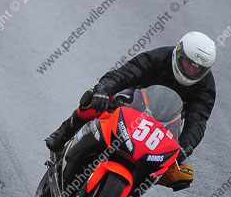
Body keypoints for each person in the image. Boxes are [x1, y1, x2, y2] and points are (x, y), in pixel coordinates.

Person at [45, 31, 216, 171]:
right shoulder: (159, 57)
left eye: (198, 68)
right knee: (94, 98)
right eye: (188, 63)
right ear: (178, 53)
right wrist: (103, 91)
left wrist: (185, 146)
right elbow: (125, 73)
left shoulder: (206, 86)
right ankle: (64, 131)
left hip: (166, 123)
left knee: (178, 170)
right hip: (134, 100)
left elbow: (198, 120)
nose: (192, 70)